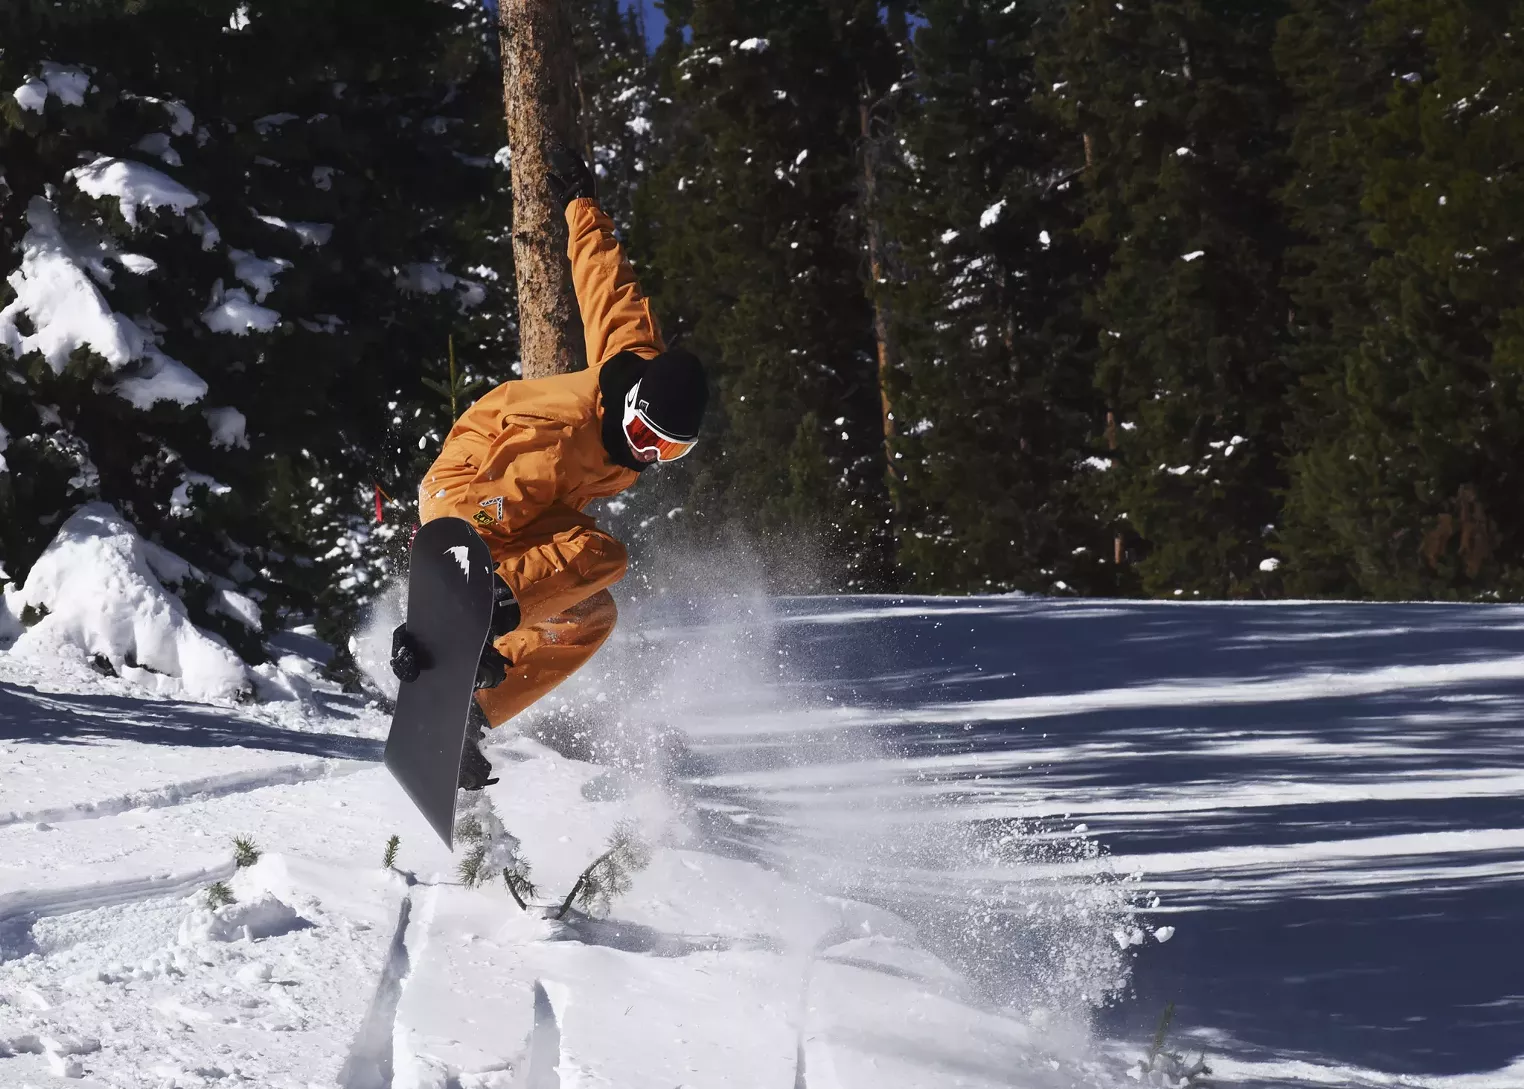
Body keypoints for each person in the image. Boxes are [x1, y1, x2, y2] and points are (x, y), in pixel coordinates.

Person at [390, 144, 707, 789]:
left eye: (669, 451)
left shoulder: (634, 361)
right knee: (602, 555)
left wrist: (580, 206)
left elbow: (607, 285)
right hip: (473, 490)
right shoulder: (558, 437)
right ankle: (475, 618)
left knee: (593, 617)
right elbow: (482, 507)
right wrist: (448, 604)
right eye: (648, 435)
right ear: (633, 408)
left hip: (524, 512)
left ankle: (469, 716)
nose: (648, 453)